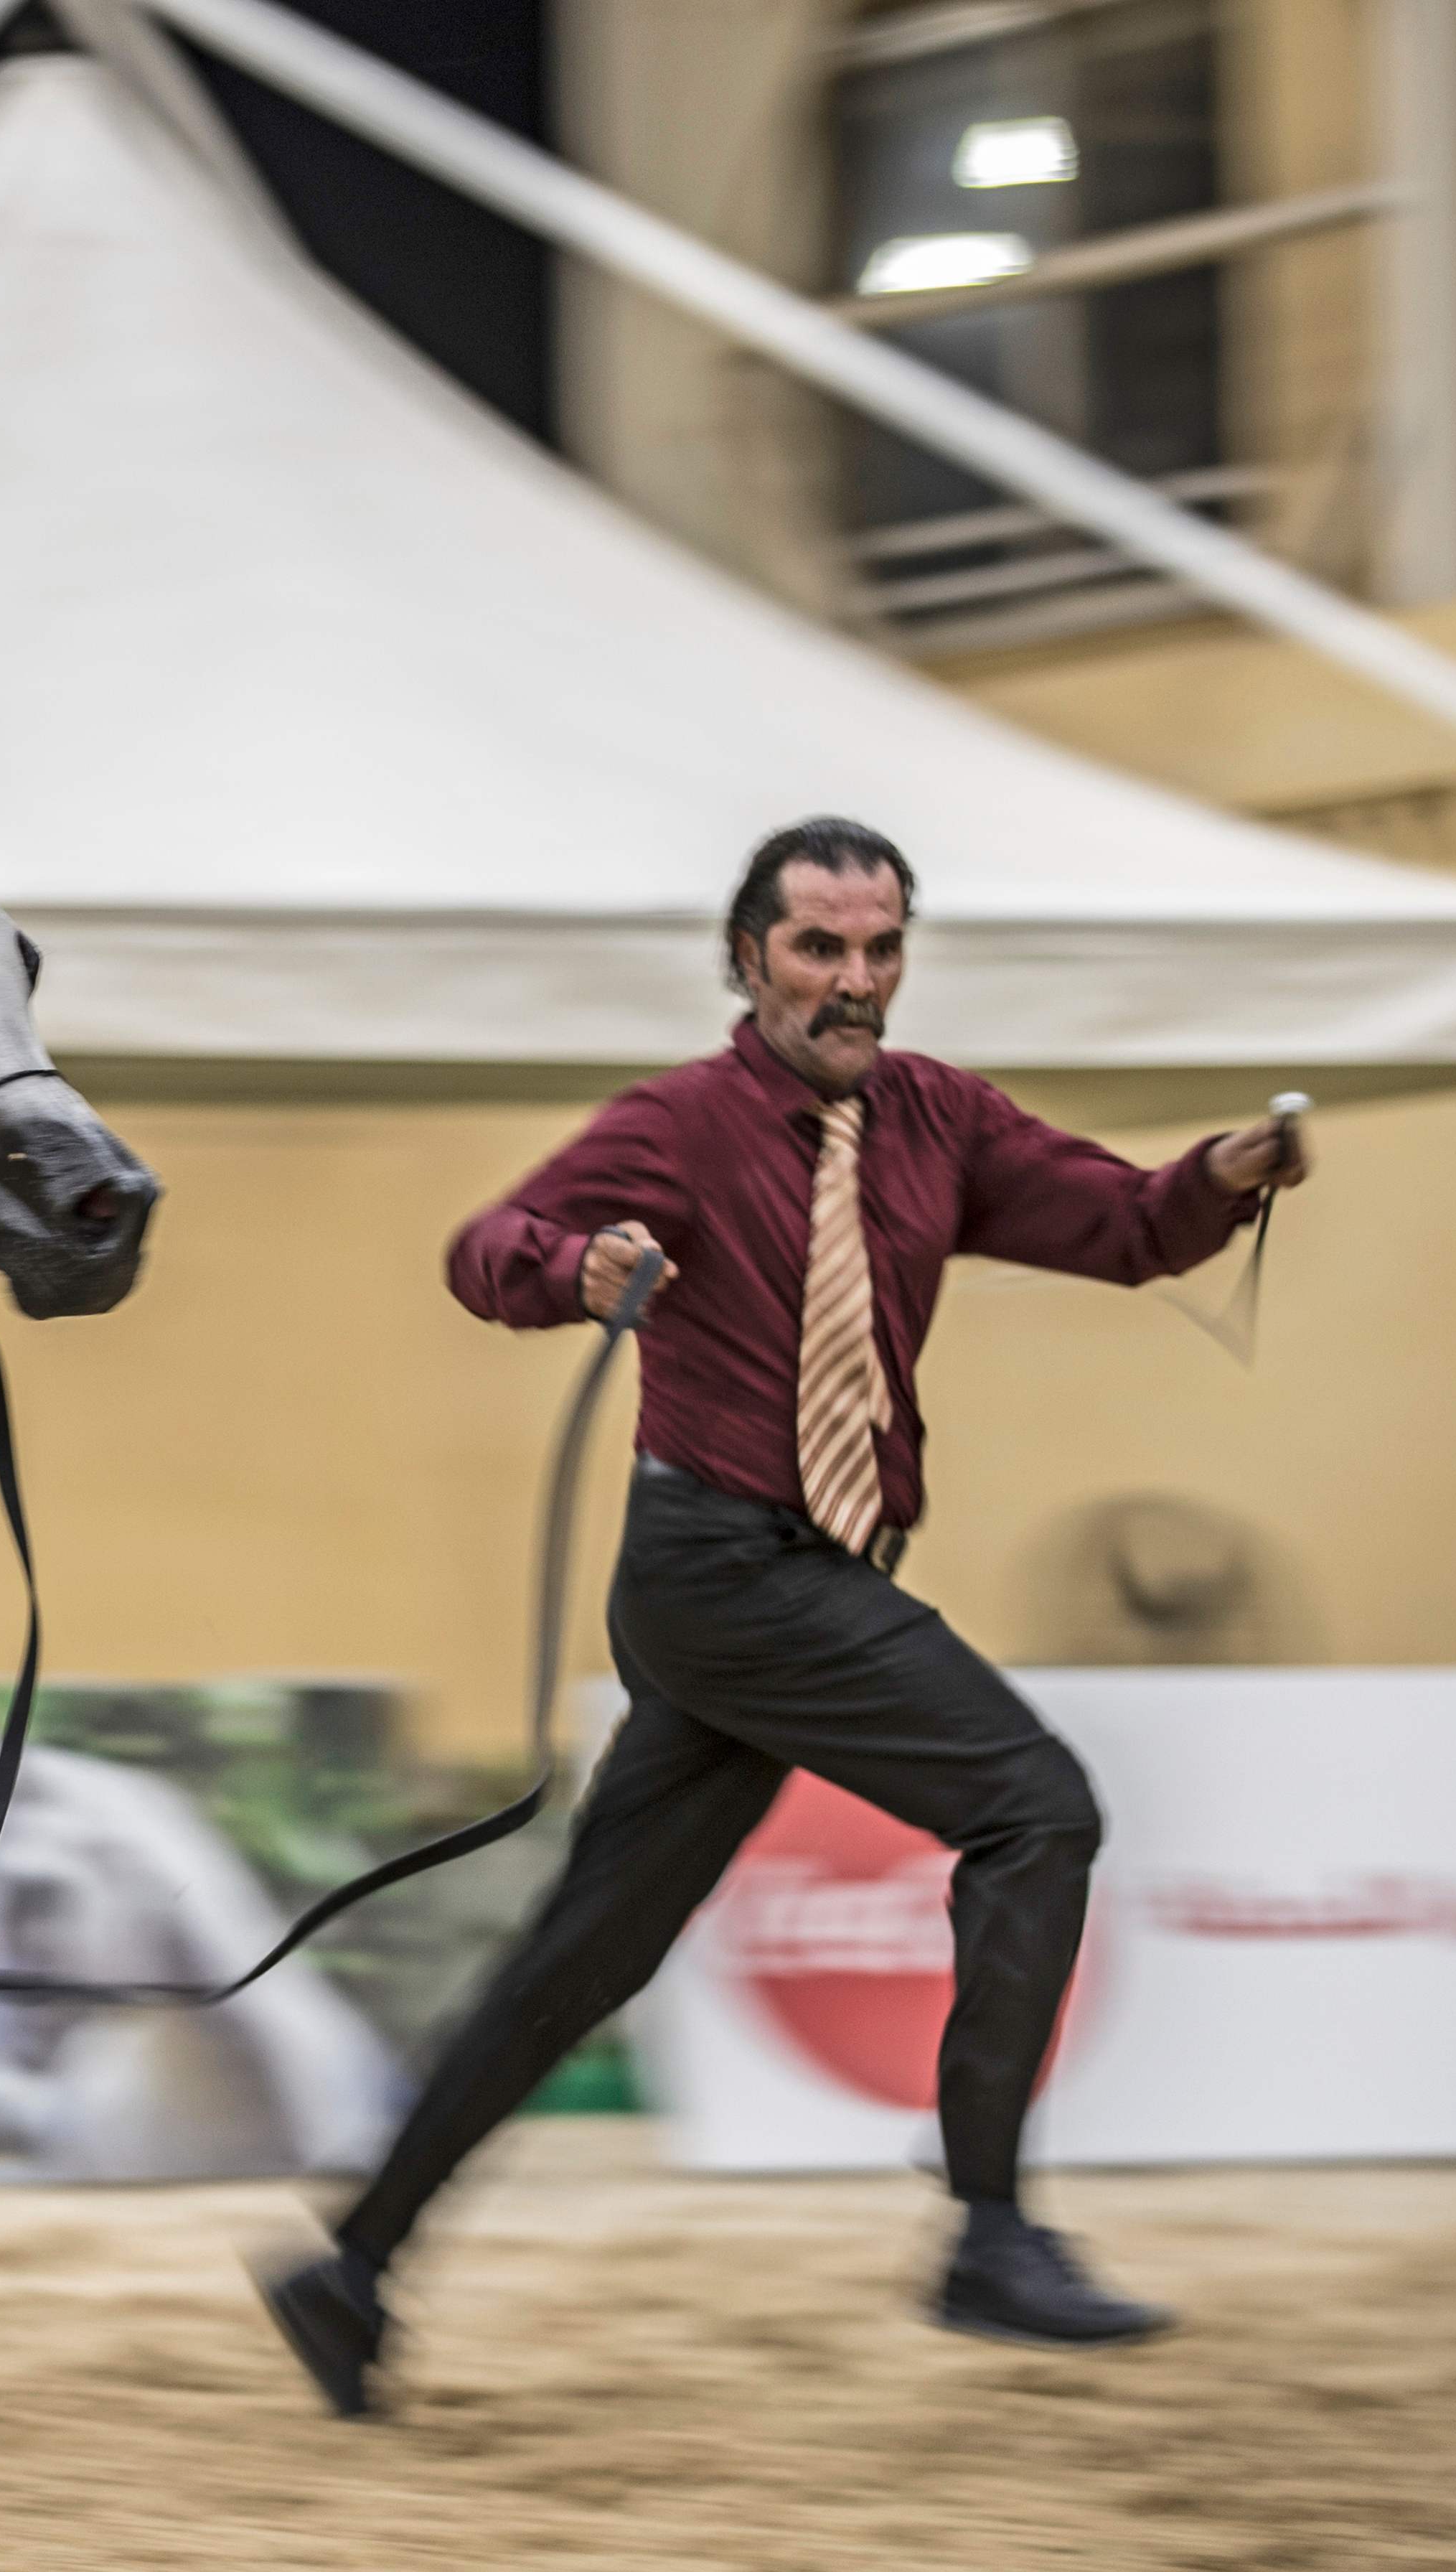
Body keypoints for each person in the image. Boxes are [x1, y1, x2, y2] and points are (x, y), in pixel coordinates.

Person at [257, 817, 1312, 2418]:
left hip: (783, 1578)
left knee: (587, 1955)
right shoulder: (680, 1122)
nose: (855, 980)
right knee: (1037, 1810)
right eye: (821, 948)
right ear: (749, 958)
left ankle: (351, 2271)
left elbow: (1118, 1223)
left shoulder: (937, 1117)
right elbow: (486, 1251)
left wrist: (1221, 1176)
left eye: (881, 949)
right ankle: (989, 2231)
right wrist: (575, 1265)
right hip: (727, 1567)